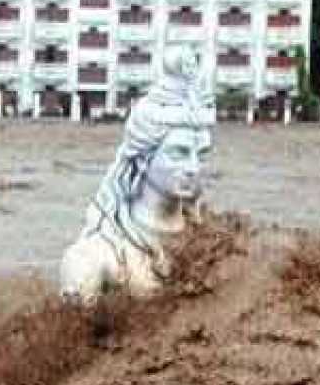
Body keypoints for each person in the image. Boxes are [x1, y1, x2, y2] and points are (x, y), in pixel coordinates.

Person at [59, 44, 215, 299]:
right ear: (143, 159)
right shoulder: (98, 256)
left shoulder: (210, 243)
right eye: (180, 153)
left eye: (201, 155)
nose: (193, 168)